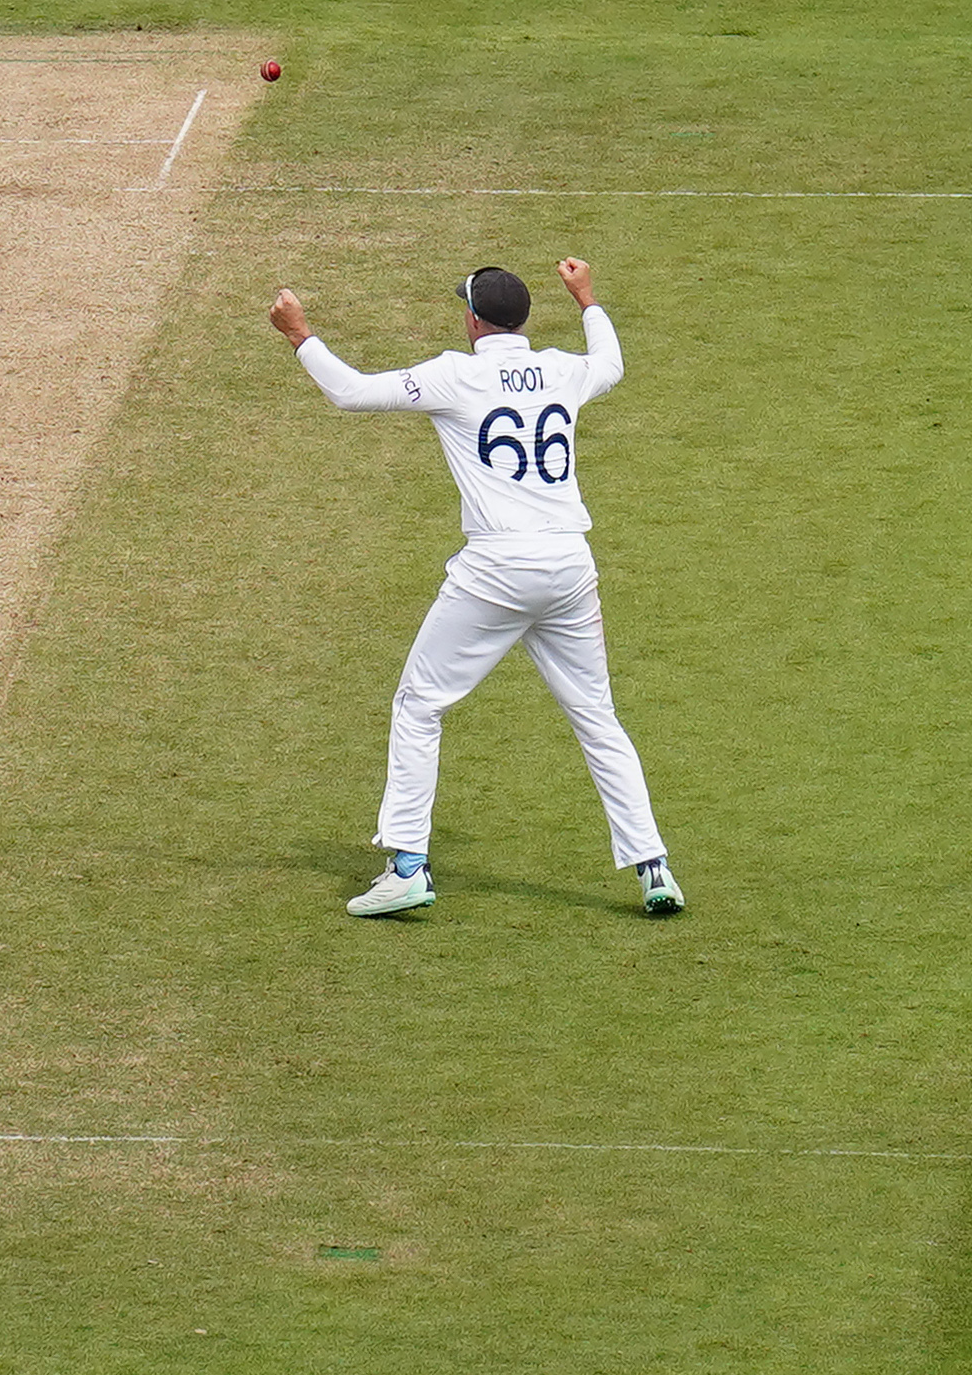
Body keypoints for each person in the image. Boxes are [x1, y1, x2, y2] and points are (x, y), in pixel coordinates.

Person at [272, 259, 679, 921]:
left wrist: (299, 334)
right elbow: (610, 363)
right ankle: (653, 867)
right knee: (596, 716)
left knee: (418, 704)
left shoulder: (451, 375)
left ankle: (406, 866)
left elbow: (349, 392)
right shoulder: (560, 368)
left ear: (471, 319)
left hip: (496, 568)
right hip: (570, 565)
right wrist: (587, 299)